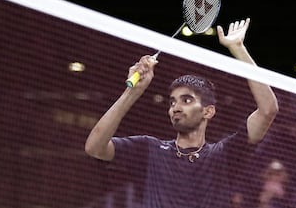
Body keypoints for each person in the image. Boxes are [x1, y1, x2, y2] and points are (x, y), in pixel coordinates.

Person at [85, 18, 279, 207]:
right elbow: (94, 147)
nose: (175, 107)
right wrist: (132, 92)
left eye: (187, 100)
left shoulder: (224, 155)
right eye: (172, 102)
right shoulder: (149, 150)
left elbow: (268, 109)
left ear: (208, 111)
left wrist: (238, 49)